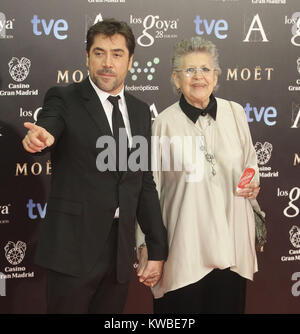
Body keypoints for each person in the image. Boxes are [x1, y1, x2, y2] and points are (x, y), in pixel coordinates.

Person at [22, 19, 168, 314]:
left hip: (119, 250)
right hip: (72, 249)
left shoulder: (140, 111)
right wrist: (42, 138)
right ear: (86, 57)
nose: (107, 63)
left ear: (130, 61)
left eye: (116, 54)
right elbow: (49, 125)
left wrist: (156, 247)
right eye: (99, 53)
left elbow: (143, 182)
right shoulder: (64, 98)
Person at [136, 36, 261, 314]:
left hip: (231, 249)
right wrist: (146, 246)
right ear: (176, 79)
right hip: (185, 252)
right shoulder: (162, 125)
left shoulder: (236, 113)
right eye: (189, 70)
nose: (198, 77)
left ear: (216, 76)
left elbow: (250, 166)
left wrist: (253, 184)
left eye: (205, 69)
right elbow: (148, 191)